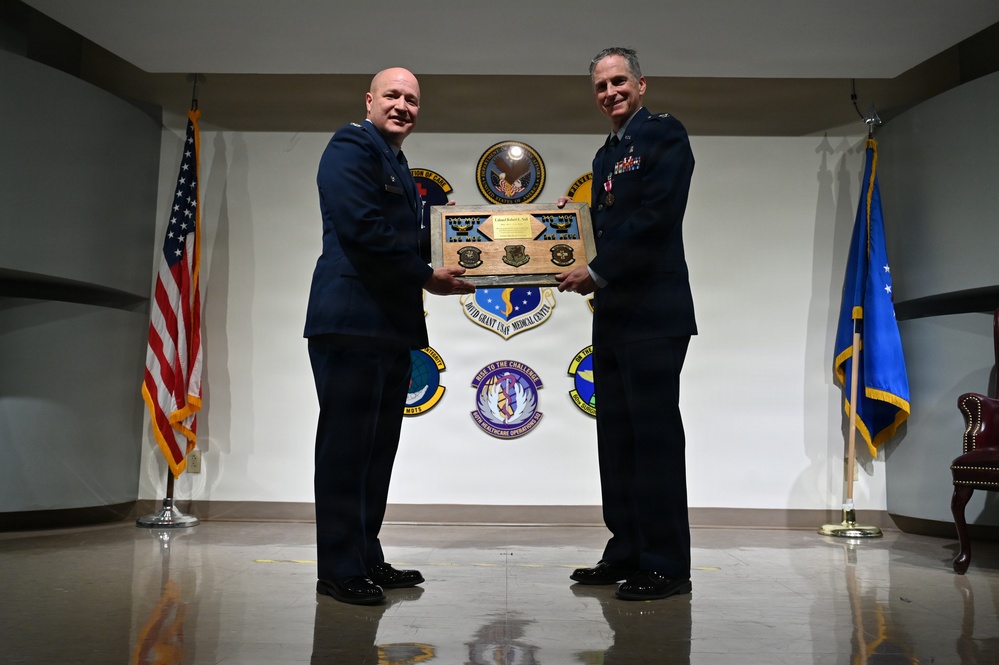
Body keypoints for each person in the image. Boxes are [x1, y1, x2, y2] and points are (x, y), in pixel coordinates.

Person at [304, 67, 474, 605]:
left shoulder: (395, 163)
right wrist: (427, 276)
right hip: (352, 322)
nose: (403, 105)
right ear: (370, 100)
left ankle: (365, 556)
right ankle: (338, 567)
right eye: (394, 96)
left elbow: (413, 237)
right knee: (345, 452)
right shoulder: (350, 146)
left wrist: (483, 242)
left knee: (376, 452)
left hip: (388, 327)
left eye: (413, 100)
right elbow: (363, 229)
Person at [556, 47, 697, 601]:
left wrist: (598, 268)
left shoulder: (665, 135)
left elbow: (656, 217)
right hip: (614, 315)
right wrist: (568, 229)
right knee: (616, 439)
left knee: (654, 440)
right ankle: (626, 549)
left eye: (619, 82)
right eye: (600, 86)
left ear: (642, 84)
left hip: (654, 314)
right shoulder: (605, 155)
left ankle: (665, 563)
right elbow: (609, 227)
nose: (610, 92)